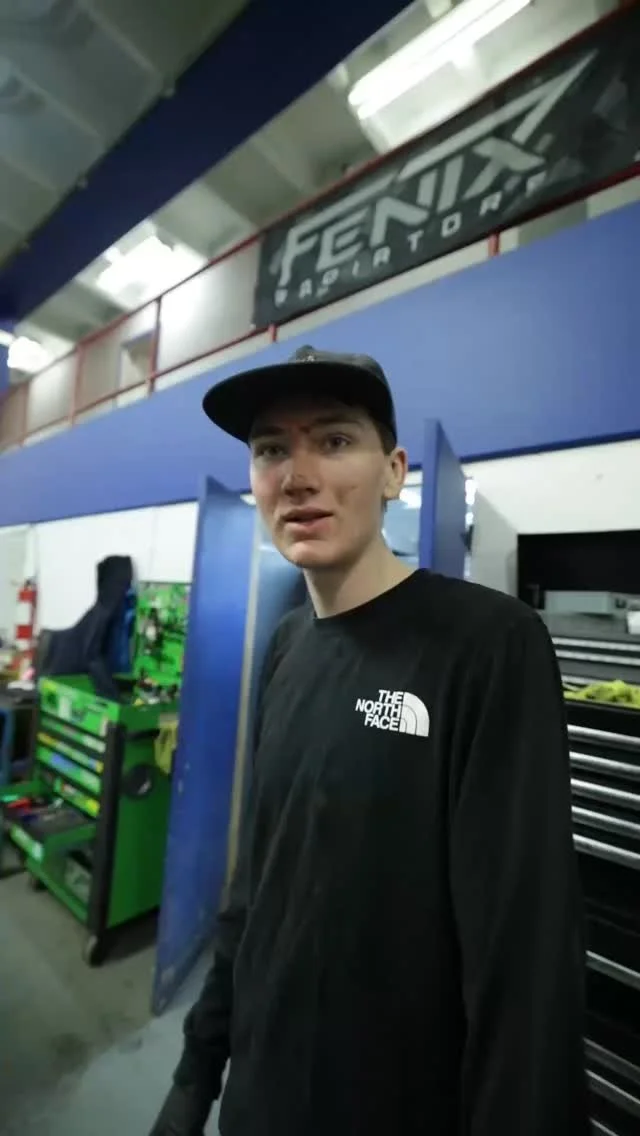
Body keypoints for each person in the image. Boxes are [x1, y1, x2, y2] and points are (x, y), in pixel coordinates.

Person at [150, 346, 589, 1136]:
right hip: (259, 1102)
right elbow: (255, 886)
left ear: (393, 471)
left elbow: (524, 967)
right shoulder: (286, 646)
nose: (298, 476)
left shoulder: (489, 645)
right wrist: (195, 1077)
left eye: (334, 441)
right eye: (271, 449)